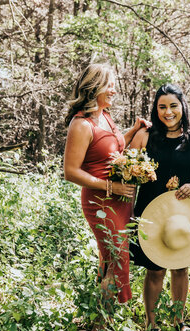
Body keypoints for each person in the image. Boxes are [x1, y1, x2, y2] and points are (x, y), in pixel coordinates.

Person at [129, 84, 190, 331]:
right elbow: (126, 169)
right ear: (156, 109)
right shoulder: (145, 136)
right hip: (150, 210)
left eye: (173, 105)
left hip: (182, 213)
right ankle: (151, 326)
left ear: (182, 107)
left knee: (180, 268)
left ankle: (179, 321)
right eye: (162, 106)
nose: (168, 112)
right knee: (154, 270)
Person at [63, 63, 149, 305]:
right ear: (94, 87)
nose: (114, 91)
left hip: (121, 201)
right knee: (118, 258)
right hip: (100, 202)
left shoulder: (105, 117)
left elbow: (113, 146)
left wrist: (134, 130)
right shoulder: (81, 124)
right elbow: (70, 172)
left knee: (111, 259)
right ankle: (103, 330)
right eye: (109, 86)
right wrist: (110, 187)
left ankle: (104, 322)